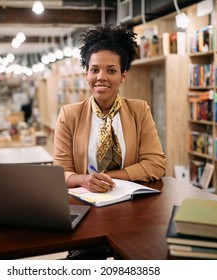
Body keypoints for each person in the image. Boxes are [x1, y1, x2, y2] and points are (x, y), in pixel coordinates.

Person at [53, 24, 166, 259]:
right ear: (86, 73)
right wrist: (85, 179)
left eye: (111, 70)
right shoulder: (69, 115)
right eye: (94, 69)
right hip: (86, 211)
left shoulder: (139, 111)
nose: (101, 77)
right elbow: (60, 173)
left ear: (123, 75)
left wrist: (108, 178)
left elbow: (155, 165)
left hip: (133, 211)